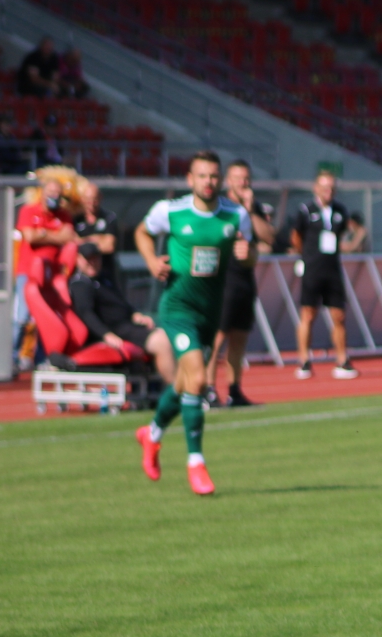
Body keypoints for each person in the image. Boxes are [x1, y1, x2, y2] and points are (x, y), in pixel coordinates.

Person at [133, 151, 250, 496]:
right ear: (190, 179)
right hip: (177, 307)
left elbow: (251, 252)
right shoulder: (170, 211)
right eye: (202, 176)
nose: (209, 182)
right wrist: (151, 259)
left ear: (222, 180)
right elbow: (141, 232)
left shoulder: (235, 215)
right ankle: (196, 462)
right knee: (199, 379)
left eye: (214, 176)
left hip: (209, 312)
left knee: (185, 384)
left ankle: (151, 435)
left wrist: (250, 254)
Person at [283, 169, 366, 379]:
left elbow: (340, 240)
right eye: (324, 187)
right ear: (316, 188)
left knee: (339, 315)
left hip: (333, 271)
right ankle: (304, 360)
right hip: (312, 270)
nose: (328, 191)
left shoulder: (340, 211)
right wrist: (307, 255)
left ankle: (342, 359)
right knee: (308, 314)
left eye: (331, 187)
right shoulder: (306, 210)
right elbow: (296, 237)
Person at [210, 159, 273, 407]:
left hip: (245, 279)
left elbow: (269, 236)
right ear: (228, 181)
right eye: (238, 178)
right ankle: (208, 390)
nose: (243, 183)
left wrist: (250, 209)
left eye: (246, 178)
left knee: (239, 339)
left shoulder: (252, 208)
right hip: (222, 280)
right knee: (216, 339)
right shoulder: (220, 207)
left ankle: (234, 390)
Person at [67, 241, 171, 371]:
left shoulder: (104, 279)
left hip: (127, 326)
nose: (92, 262)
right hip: (116, 330)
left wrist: (135, 315)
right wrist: (106, 334)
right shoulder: (81, 284)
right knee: (162, 342)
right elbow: (86, 313)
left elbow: (122, 303)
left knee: (167, 334)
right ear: (78, 260)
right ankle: (174, 389)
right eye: (87, 259)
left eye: (95, 258)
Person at [12, 173, 79, 372]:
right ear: (42, 193)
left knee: (46, 317)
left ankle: (43, 357)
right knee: (21, 317)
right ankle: (12, 357)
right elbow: (30, 237)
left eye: (57, 194)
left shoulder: (64, 215)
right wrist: (53, 235)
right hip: (28, 272)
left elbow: (68, 237)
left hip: (52, 275)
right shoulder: (28, 210)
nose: (54, 197)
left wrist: (42, 233)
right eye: (51, 193)